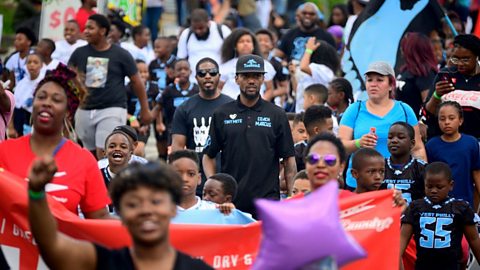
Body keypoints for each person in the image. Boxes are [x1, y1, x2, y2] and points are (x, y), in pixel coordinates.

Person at [28, 158, 214, 269]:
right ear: (120, 213)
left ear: (173, 208)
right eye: (133, 204)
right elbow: (50, 244)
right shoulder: (101, 262)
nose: (146, 211)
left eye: (156, 201)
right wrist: (36, 192)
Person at [0, 64, 111, 219]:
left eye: (56, 100)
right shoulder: (5, 151)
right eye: (41, 97)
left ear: (68, 112)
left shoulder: (83, 160)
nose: (46, 103)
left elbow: (100, 219)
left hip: (64, 242)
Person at [203, 54, 296, 215]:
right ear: (237, 79)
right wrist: (216, 186)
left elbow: (289, 159)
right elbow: (208, 156)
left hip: (268, 203)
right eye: (246, 76)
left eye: (256, 76)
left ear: (263, 80)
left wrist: (291, 197)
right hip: (231, 204)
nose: (251, 81)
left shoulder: (277, 114)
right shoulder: (222, 113)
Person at [69, 14, 153, 159]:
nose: (86, 31)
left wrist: (145, 110)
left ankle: (107, 181)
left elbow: (136, 82)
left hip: (112, 109)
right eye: (85, 28)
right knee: (88, 154)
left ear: (102, 31)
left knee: (105, 152)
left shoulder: (121, 54)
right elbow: (68, 80)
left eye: (90, 28)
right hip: (84, 109)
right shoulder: (79, 53)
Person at [338, 61, 426, 190]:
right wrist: (358, 143)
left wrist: (423, 177)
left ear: (391, 85)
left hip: (397, 183)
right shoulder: (354, 110)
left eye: (380, 80)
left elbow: (417, 148)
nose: (373, 84)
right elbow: (340, 146)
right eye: (369, 80)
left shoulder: (404, 110)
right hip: (359, 185)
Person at [399, 162, 480, 270]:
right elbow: (402, 239)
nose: (433, 190)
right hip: (423, 266)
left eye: (439, 187)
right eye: (429, 186)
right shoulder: (415, 207)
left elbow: (474, 239)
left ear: (451, 185)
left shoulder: (460, 208)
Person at [171, 57, 233, 194]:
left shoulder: (232, 106)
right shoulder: (184, 108)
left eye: (212, 73)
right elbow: (177, 148)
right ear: (196, 77)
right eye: (202, 73)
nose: (207, 76)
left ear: (219, 76)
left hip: (227, 180)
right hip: (196, 181)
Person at [423, 34, 480, 139]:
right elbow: (427, 113)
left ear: (477, 57)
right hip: (444, 141)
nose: (460, 64)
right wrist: (436, 95)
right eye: (456, 59)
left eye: (465, 59)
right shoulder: (445, 75)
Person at [426, 101, 480, 208]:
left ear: (460, 120)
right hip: (438, 205)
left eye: (451, 118)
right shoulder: (431, 145)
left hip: (465, 203)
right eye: (442, 119)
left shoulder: (471, 143)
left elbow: (477, 173)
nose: (446, 122)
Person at [169, 150, 234, 215]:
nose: (184, 179)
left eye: (191, 174)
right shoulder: (161, 210)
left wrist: (230, 211)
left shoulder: (215, 210)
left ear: (199, 178)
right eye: (178, 174)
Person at [218, 28, 277, 101]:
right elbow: (219, 88)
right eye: (241, 41)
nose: (245, 44)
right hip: (230, 106)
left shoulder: (265, 65)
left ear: (253, 45)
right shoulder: (226, 66)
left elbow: (269, 89)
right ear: (235, 46)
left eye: (248, 41)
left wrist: (262, 105)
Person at [176, 9, 231, 80]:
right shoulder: (186, 34)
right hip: (194, 80)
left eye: (201, 28)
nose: (198, 31)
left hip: (219, 79)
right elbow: (181, 58)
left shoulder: (223, 31)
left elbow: (231, 56)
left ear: (208, 22)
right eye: (194, 28)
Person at [381, 122, 426, 205]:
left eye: (400, 137)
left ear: (412, 143)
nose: (394, 141)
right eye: (390, 137)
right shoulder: (379, 167)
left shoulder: (422, 168)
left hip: (412, 216)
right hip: (384, 216)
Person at [396, 32, 437, 117]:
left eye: (404, 45)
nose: (401, 49)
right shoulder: (405, 70)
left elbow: (428, 105)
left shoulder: (425, 73)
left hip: (415, 125)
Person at [293, 37, 338, 113]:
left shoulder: (323, 69)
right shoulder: (312, 69)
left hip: (315, 113)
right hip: (302, 112)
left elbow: (303, 67)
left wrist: (309, 50)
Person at [126, 60, 159, 157]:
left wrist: (155, 122)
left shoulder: (153, 87)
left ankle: (140, 169)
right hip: (128, 124)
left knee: (139, 150)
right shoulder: (127, 89)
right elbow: (121, 109)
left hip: (145, 124)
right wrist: (132, 119)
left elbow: (158, 106)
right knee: (130, 151)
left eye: (145, 72)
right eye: (139, 72)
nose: (143, 75)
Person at [11, 53, 45, 138]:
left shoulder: (44, 82)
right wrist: (11, 126)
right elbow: (14, 106)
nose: (32, 65)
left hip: (35, 119)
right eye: (29, 62)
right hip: (20, 119)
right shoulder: (21, 83)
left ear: (41, 65)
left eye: (35, 62)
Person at [255, 29, 289, 107]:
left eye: (266, 41)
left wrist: (269, 93)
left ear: (272, 45)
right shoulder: (249, 61)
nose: (262, 43)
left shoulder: (277, 63)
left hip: (270, 103)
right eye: (259, 40)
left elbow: (285, 87)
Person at [295, 105, 334, 171]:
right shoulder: (296, 153)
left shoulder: (334, 151)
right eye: (330, 129)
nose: (332, 133)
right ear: (316, 130)